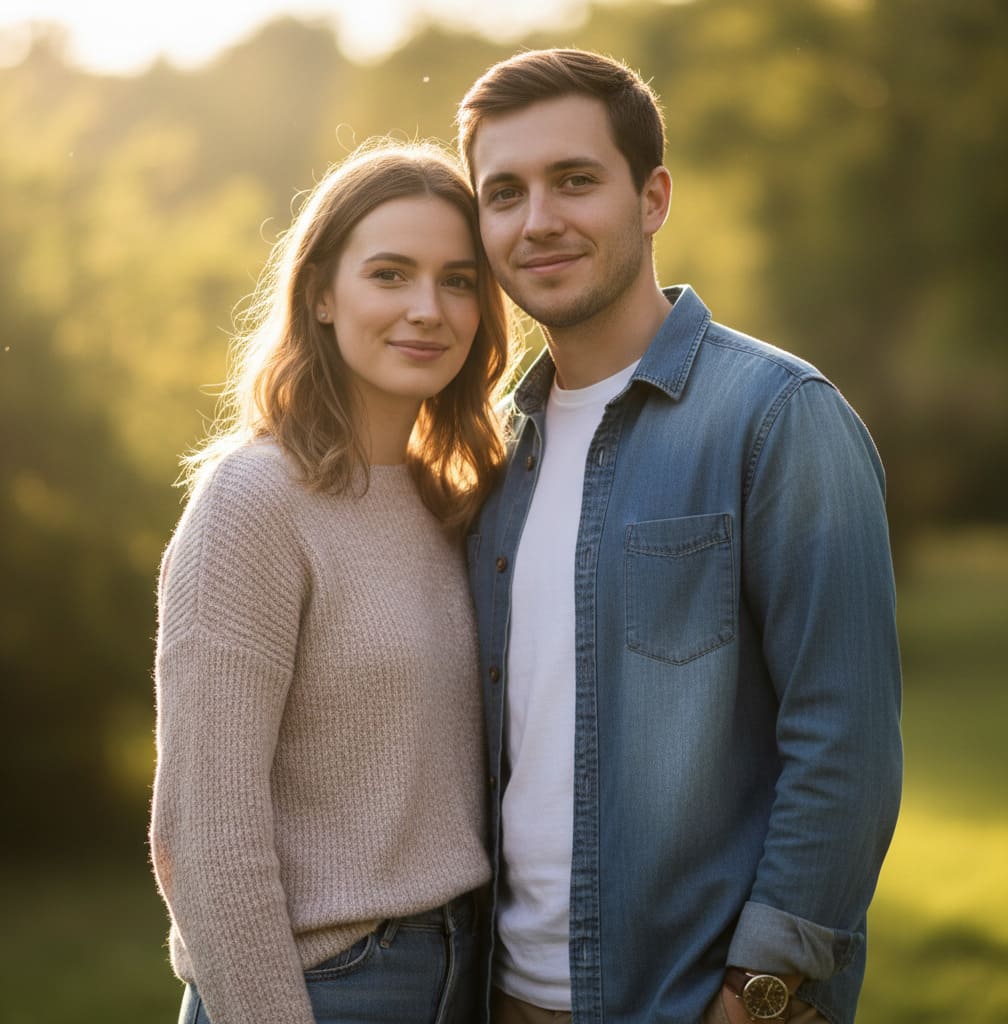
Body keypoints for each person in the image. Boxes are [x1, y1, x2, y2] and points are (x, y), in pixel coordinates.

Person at [456, 48, 902, 1024]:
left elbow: (846, 740)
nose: (539, 220)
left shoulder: (780, 418)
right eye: (504, 193)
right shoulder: (488, 456)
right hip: (496, 999)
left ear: (652, 197)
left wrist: (759, 995)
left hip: (689, 1002)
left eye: (574, 180)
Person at [149, 141, 517, 1024]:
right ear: (321, 292)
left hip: (465, 970)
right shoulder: (256, 500)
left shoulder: (456, 500)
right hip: (326, 983)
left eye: (459, 280)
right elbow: (202, 831)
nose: (427, 310)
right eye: (390, 274)